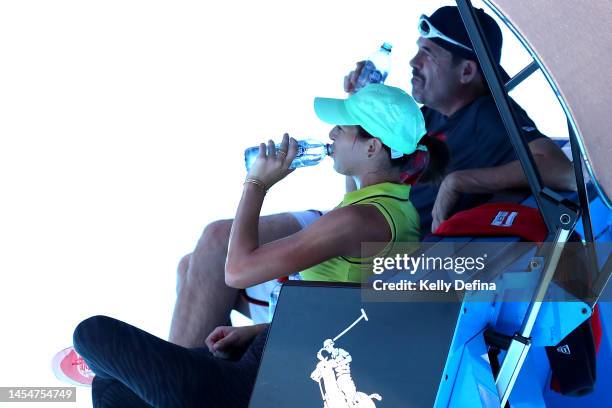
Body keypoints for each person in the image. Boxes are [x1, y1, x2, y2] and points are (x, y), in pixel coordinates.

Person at [163, 5, 575, 350]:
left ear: (468, 71)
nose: (413, 63)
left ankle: (177, 382)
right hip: (364, 221)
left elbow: (563, 171)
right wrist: (359, 105)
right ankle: (190, 376)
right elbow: (367, 180)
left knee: (220, 247)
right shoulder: (421, 118)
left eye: (428, 54)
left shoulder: (493, 116)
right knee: (192, 267)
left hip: (382, 240)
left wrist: (462, 181)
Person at [69, 84, 450, 407]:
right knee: (109, 387)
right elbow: (345, 307)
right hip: (271, 349)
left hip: (264, 378)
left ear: (372, 149)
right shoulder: (390, 207)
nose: (332, 134)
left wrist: (257, 185)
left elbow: (237, 270)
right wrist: (256, 330)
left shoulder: (361, 220)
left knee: (91, 335)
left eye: (344, 128)